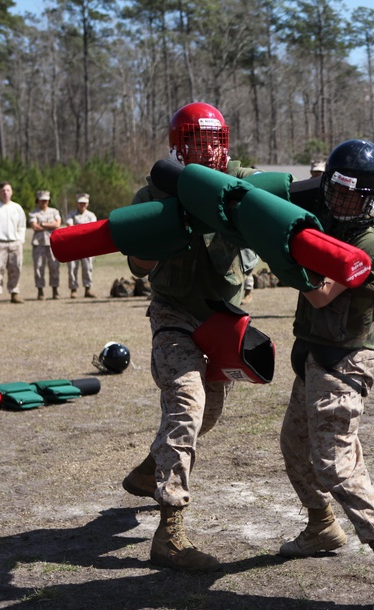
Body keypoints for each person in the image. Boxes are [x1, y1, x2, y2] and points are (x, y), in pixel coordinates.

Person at [278, 139, 374, 610]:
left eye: (350, 195)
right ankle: (322, 525)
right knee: (295, 445)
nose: (339, 202)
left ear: (371, 196)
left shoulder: (371, 240)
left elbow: (321, 295)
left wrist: (281, 250)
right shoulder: (332, 214)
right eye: (334, 191)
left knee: (335, 462)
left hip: (345, 360)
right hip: (315, 354)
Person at [121, 102, 261, 572]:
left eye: (213, 141)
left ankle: (149, 468)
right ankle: (171, 531)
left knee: (210, 413)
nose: (205, 151)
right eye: (195, 143)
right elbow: (138, 265)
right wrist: (158, 233)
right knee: (186, 404)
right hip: (174, 314)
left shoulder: (245, 183)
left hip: (223, 319)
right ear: (178, 147)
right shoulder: (154, 194)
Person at [29, 190, 63, 300]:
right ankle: (40, 291)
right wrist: (50, 225)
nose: (44, 202)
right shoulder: (33, 213)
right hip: (38, 244)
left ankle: (55, 290)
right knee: (39, 267)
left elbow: (57, 224)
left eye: (46, 200)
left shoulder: (54, 211)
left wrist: (43, 224)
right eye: (42, 200)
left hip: (52, 243)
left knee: (54, 266)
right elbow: (34, 227)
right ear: (38, 201)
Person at [64, 193, 98, 298]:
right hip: (73, 244)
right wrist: (84, 229)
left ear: (87, 204)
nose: (82, 205)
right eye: (80, 203)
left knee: (88, 267)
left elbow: (92, 228)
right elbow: (70, 226)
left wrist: (78, 228)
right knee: (72, 267)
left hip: (87, 245)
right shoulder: (71, 214)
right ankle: (73, 289)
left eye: (84, 203)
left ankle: (88, 289)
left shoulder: (91, 215)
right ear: (77, 204)